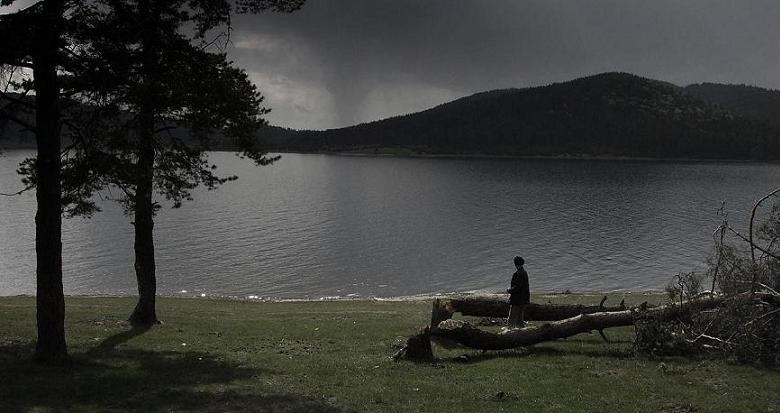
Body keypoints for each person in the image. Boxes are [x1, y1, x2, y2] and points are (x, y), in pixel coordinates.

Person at [507, 256, 529, 328]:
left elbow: (517, 287)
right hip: (524, 299)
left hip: (517, 300)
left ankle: (509, 331)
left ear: (515, 264)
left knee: (512, 318)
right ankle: (521, 331)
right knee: (520, 319)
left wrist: (509, 290)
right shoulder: (524, 272)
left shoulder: (518, 274)